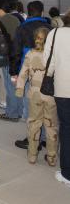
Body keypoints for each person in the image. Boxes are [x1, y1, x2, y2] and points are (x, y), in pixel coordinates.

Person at [15, 26, 57, 166]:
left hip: (35, 94)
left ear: (35, 39)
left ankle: (32, 155)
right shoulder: (55, 55)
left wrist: (20, 89)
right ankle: (51, 157)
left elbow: (23, 74)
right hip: (52, 94)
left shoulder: (30, 54)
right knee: (51, 126)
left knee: (34, 124)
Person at [12, 0, 50, 150]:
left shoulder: (22, 28)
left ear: (28, 12)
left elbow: (16, 51)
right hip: (48, 74)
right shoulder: (50, 28)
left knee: (30, 108)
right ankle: (46, 138)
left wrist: (14, 72)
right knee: (48, 108)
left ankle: (33, 139)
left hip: (28, 73)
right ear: (42, 12)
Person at [44, 11, 70, 188]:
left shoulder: (56, 33)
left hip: (64, 87)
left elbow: (49, 60)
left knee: (66, 129)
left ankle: (67, 174)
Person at [0, 0, 23, 122]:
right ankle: (18, 111)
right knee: (16, 86)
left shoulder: (0, 21)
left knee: (9, 87)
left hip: (6, 58)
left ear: (0, 9)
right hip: (17, 56)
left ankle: (11, 114)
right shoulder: (16, 19)